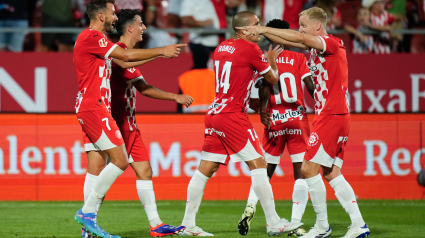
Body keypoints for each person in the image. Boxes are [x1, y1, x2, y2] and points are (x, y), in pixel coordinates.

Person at [236, 7, 370, 238]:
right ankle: (358, 224)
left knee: (307, 169)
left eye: (304, 25)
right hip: (331, 114)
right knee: (330, 171)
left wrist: (261, 28)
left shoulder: (331, 43)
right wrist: (266, 34)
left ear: (317, 26)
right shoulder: (314, 49)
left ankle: (322, 226)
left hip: (332, 114)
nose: (301, 30)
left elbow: (298, 38)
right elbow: (294, 40)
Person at [177, 11, 303, 237]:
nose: (259, 28)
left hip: (215, 112)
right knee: (260, 165)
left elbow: (237, 80)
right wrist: (271, 60)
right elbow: (272, 79)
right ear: (243, 30)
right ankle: (274, 222)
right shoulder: (251, 49)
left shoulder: (221, 47)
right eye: (256, 25)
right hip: (232, 115)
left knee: (207, 168)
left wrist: (253, 102)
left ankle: (187, 224)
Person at [73, 0, 185, 237]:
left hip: (97, 109)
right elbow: (126, 58)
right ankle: (87, 213)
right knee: (119, 162)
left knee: (99, 167)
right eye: (113, 13)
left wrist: (158, 55)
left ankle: (91, 226)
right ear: (101, 16)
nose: (115, 17)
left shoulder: (99, 42)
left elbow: (124, 59)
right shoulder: (91, 37)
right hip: (97, 109)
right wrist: (162, 51)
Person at [238, 19, 315, 237]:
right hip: (297, 119)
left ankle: (250, 206)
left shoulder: (263, 58)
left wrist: (263, 110)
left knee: (264, 172)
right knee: (301, 173)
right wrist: (322, 101)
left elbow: (262, 87)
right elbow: (309, 86)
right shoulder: (299, 58)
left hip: (274, 121)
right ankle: (296, 223)